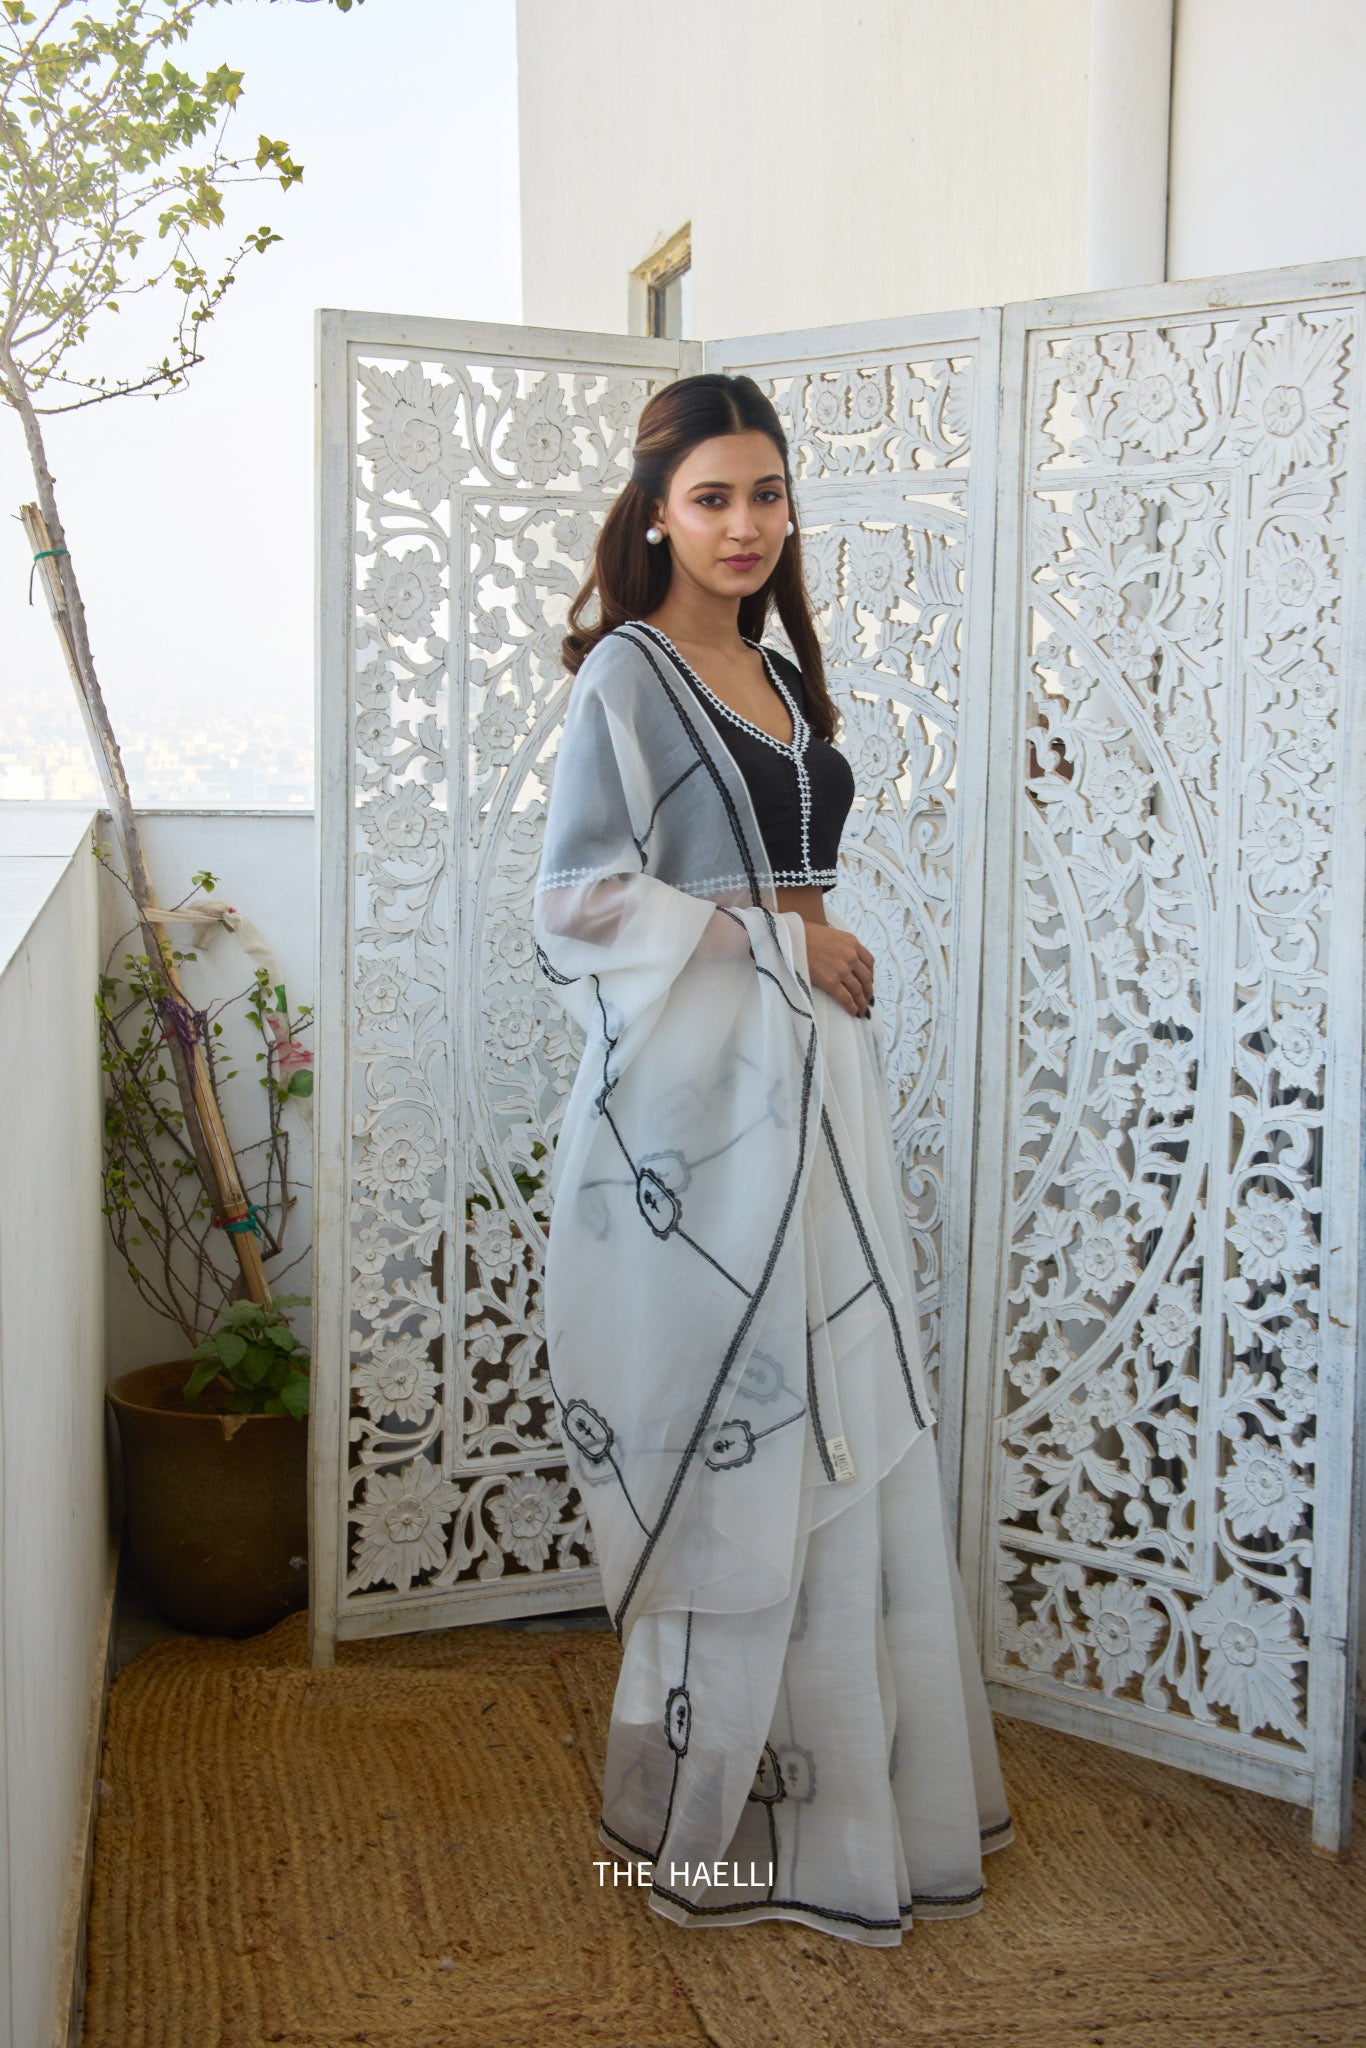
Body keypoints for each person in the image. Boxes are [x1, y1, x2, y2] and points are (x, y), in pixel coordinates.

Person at [532, 372, 1015, 1947]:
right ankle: (714, 1815)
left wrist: (802, 947)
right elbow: (576, 899)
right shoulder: (630, 673)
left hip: (819, 1084)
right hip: (698, 1102)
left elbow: (791, 882)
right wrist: (777, 942)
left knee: (835, 1412)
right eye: (712, 497)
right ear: (656, 512)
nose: (744, 525)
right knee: (738, 1411)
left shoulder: (782, 674)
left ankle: (847, 1809)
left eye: (766, 493)